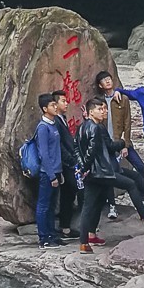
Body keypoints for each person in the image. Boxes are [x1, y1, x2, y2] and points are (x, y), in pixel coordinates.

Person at [74, 97, 144, 250]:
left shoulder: (81, 127)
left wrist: (82, 167)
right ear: (91, 112)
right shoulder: (96, 127)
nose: (104, 111)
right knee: (131, 184)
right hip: (101, 172)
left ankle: (85, 241)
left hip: (91, 175)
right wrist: (85, 166)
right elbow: (92, 151)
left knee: (92, 205)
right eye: (100, 109)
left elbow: (76, 148)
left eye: (104, 108)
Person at [94, 70, 144, 218]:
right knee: (110, 172)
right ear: (100, 85)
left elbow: (127, 122)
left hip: (121, 141)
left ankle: (142, 199)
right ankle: (112, 205)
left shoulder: (122, 99)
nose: (108, 81)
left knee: (140, 166)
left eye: (109, 79)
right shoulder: (99, 102)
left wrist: (126, 144)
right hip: (106, 144)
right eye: (104, 80)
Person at [33, 92, 64, 246]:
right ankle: (43, 238)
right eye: (52, 105)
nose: (55, 107)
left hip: (57, 170)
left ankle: (52, 234)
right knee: (43, 205)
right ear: (45, 109)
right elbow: (43, 154)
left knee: (52, 205)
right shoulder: (43, 128)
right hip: (47, 173)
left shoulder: (54, 124)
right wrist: (52, 176)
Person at [50, 90, 81, 238]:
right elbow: (59, 145)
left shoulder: (61, 118)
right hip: (65, 164)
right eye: (63, 101)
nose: (66, 103)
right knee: (79, 190)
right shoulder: (55, 121)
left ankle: (65, 228)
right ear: (54, 104)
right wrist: (70, 159)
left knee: (68, 195)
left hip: (68, 162)